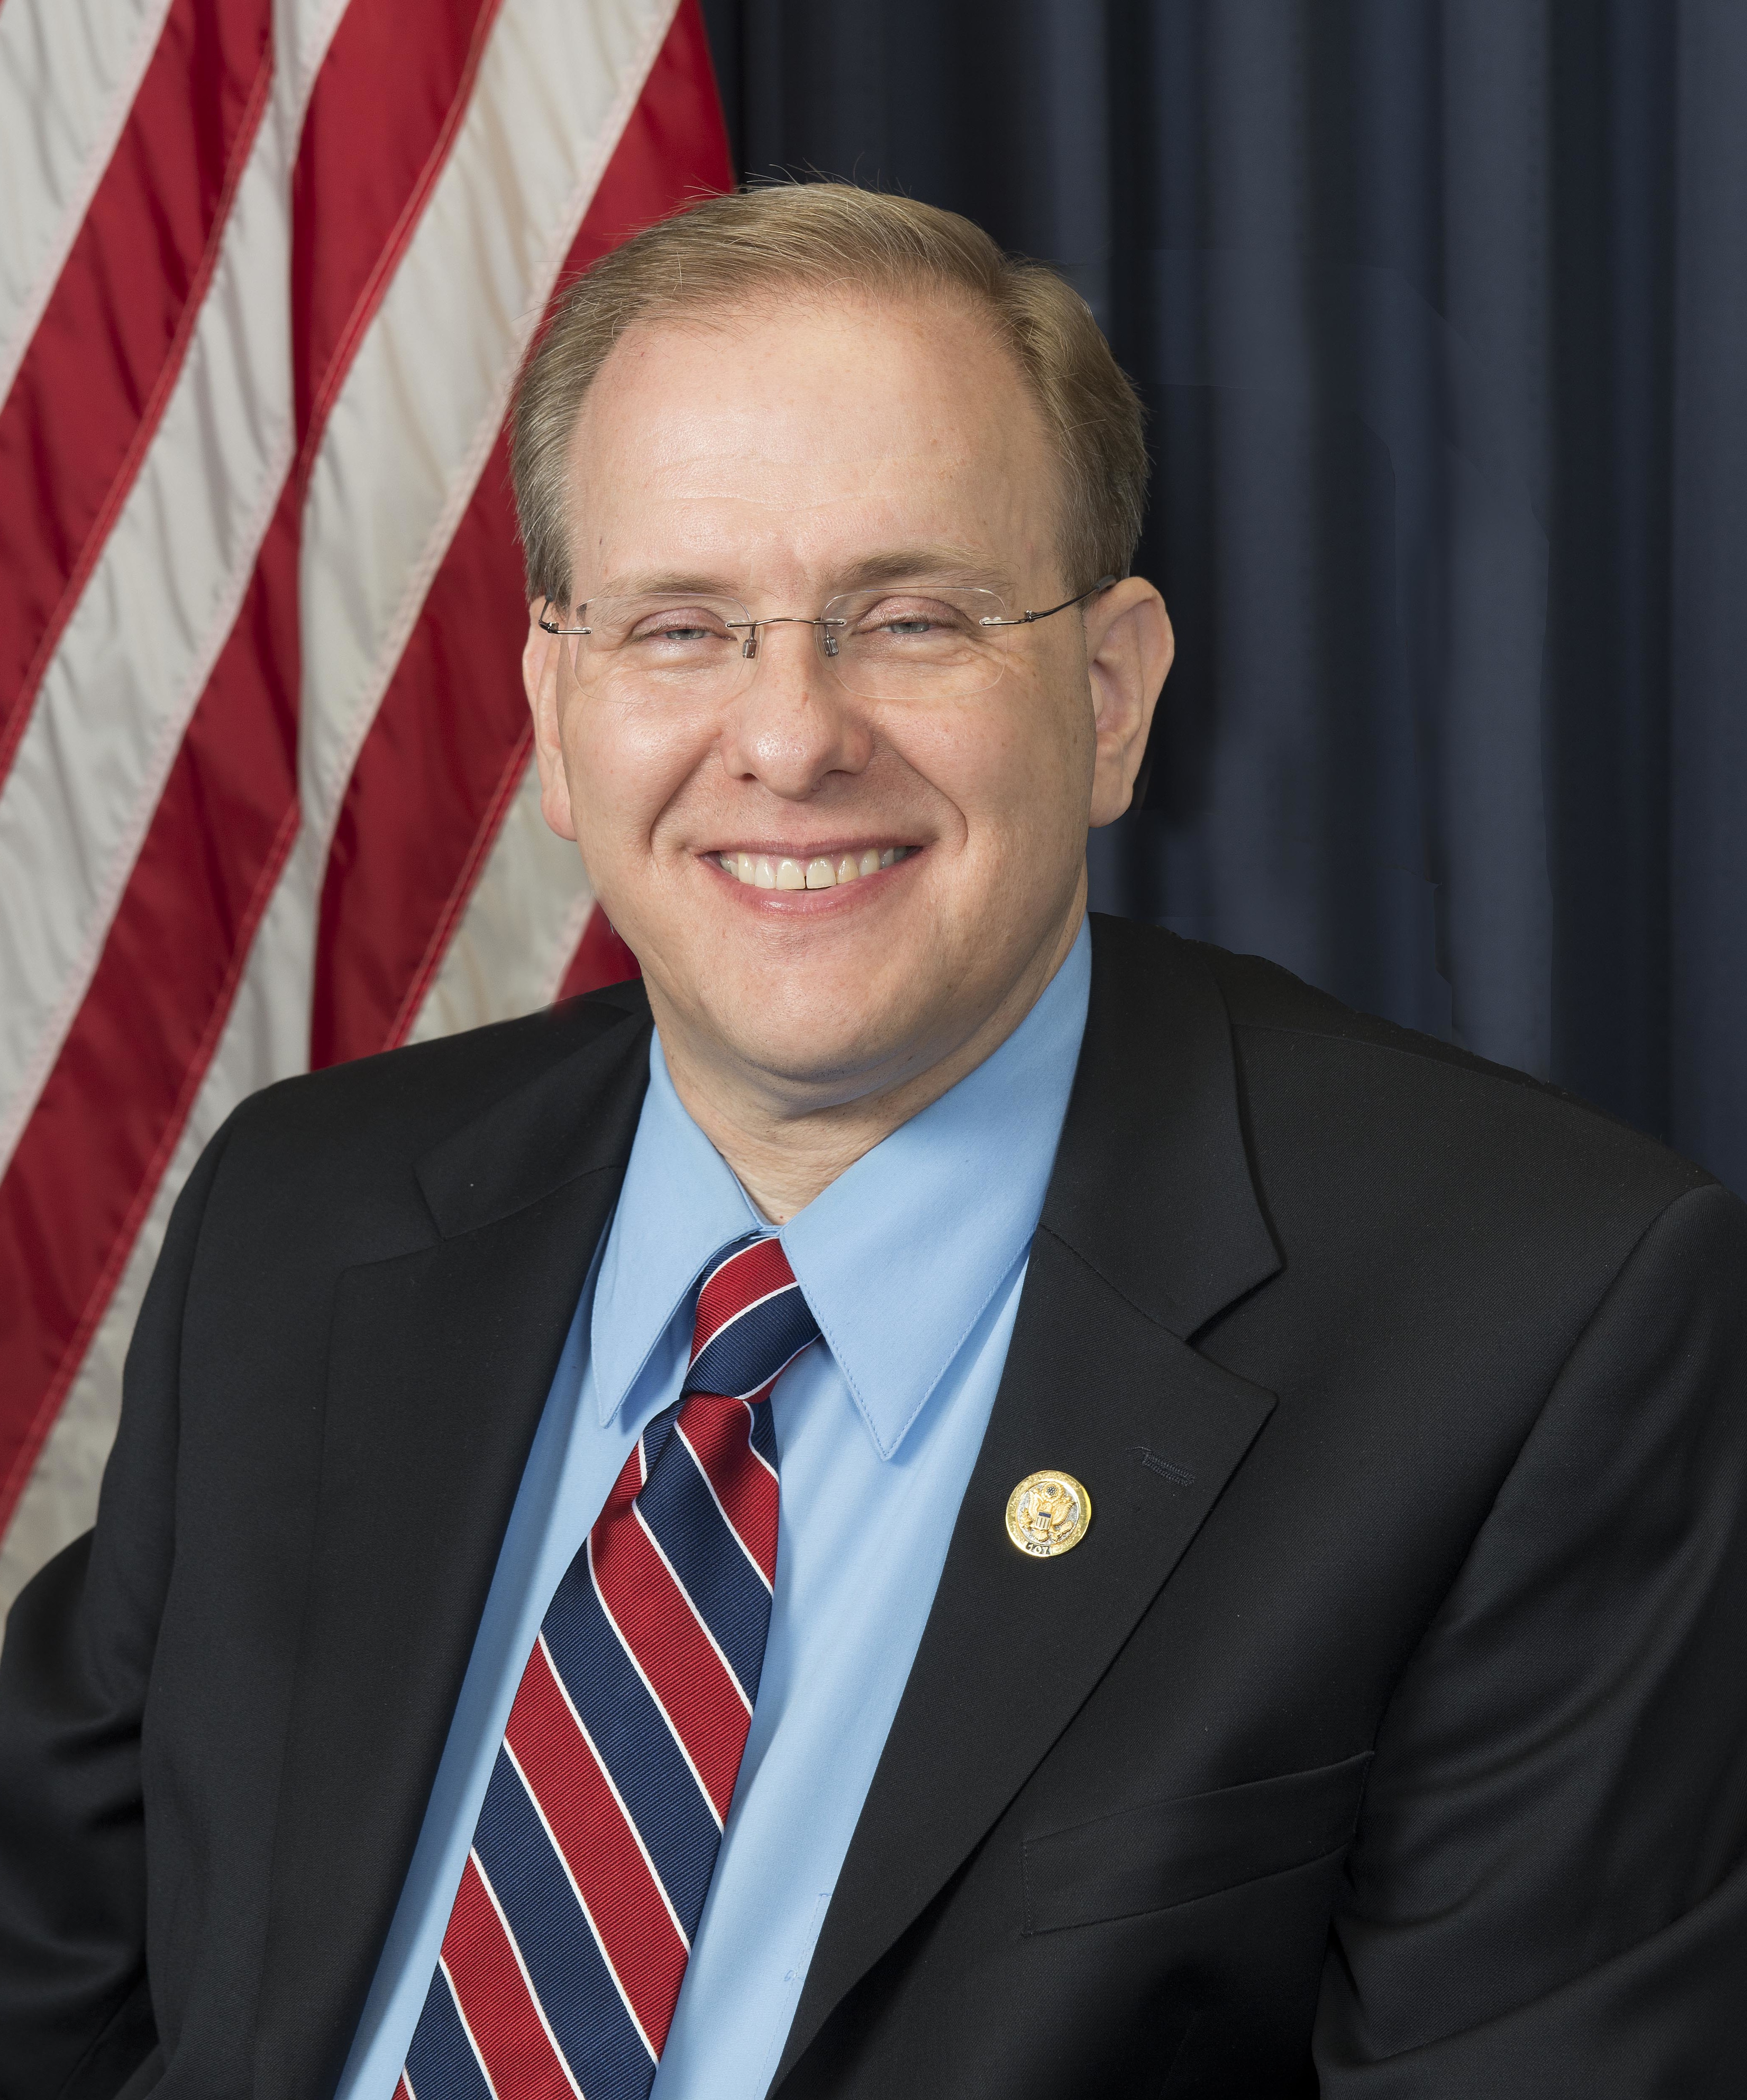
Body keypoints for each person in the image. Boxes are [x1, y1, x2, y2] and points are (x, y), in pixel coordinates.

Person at [1, 182, 1743, 2100]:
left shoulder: (1534, 1319)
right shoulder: (306, 1212)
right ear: (558, 717)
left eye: (906, 617)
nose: (789, 733)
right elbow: (46, 1974)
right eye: (679, 626)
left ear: (1106, 697)